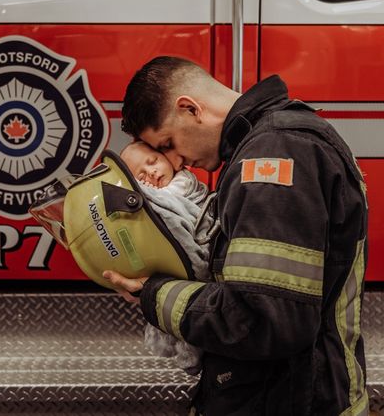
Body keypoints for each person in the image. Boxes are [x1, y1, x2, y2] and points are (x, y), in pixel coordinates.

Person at [103, 56, 369, 415]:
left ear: (189, 109)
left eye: (167, 144)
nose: (176, 162)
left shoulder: (273, 159)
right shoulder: (272, 144)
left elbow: (262, 320)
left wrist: (153, 292)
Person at [120, 141, 211, 375]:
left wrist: (141, 194)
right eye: (141, 176)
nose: (151, 172)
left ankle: (191, 351)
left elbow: (164, 205)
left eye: (154, 162)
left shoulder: (183, 181)